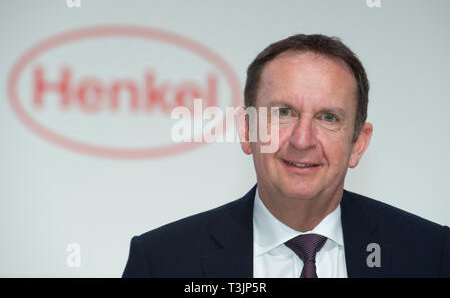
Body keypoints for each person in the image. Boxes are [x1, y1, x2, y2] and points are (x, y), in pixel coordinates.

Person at [122, 34, 450, 277]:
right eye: (284, 113)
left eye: (328, 118)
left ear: (358, 144)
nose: (302, 139)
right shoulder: (161, 262)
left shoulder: (432, 254)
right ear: (247, 130)